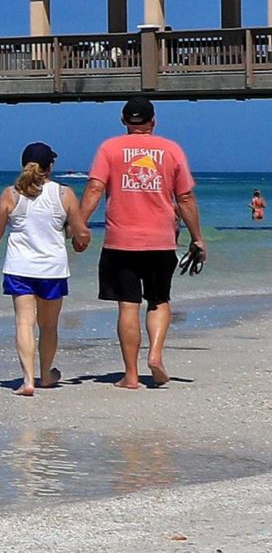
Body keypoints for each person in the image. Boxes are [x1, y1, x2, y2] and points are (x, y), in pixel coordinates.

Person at [80, 97, 204, 390]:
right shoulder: (172, 150)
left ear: (123, 120)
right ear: (153, 121)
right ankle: (156, 355)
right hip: (160, 241)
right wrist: (197, 237)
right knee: (159, 300)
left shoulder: (108, 148)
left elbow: (96, 187)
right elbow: (184, 198)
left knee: (128, 306)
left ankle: (131, 375)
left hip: (120, 241)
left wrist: (79, 225)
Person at [0, 142, 89, 396]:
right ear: (50, 166)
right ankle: (46, 374)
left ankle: (28, 380)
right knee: (48, 326)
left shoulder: (10, 194)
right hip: (52, 270)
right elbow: (82, 232)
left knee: (24, 324)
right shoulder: (64, 194)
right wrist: (79, 242)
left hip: (20, 267)